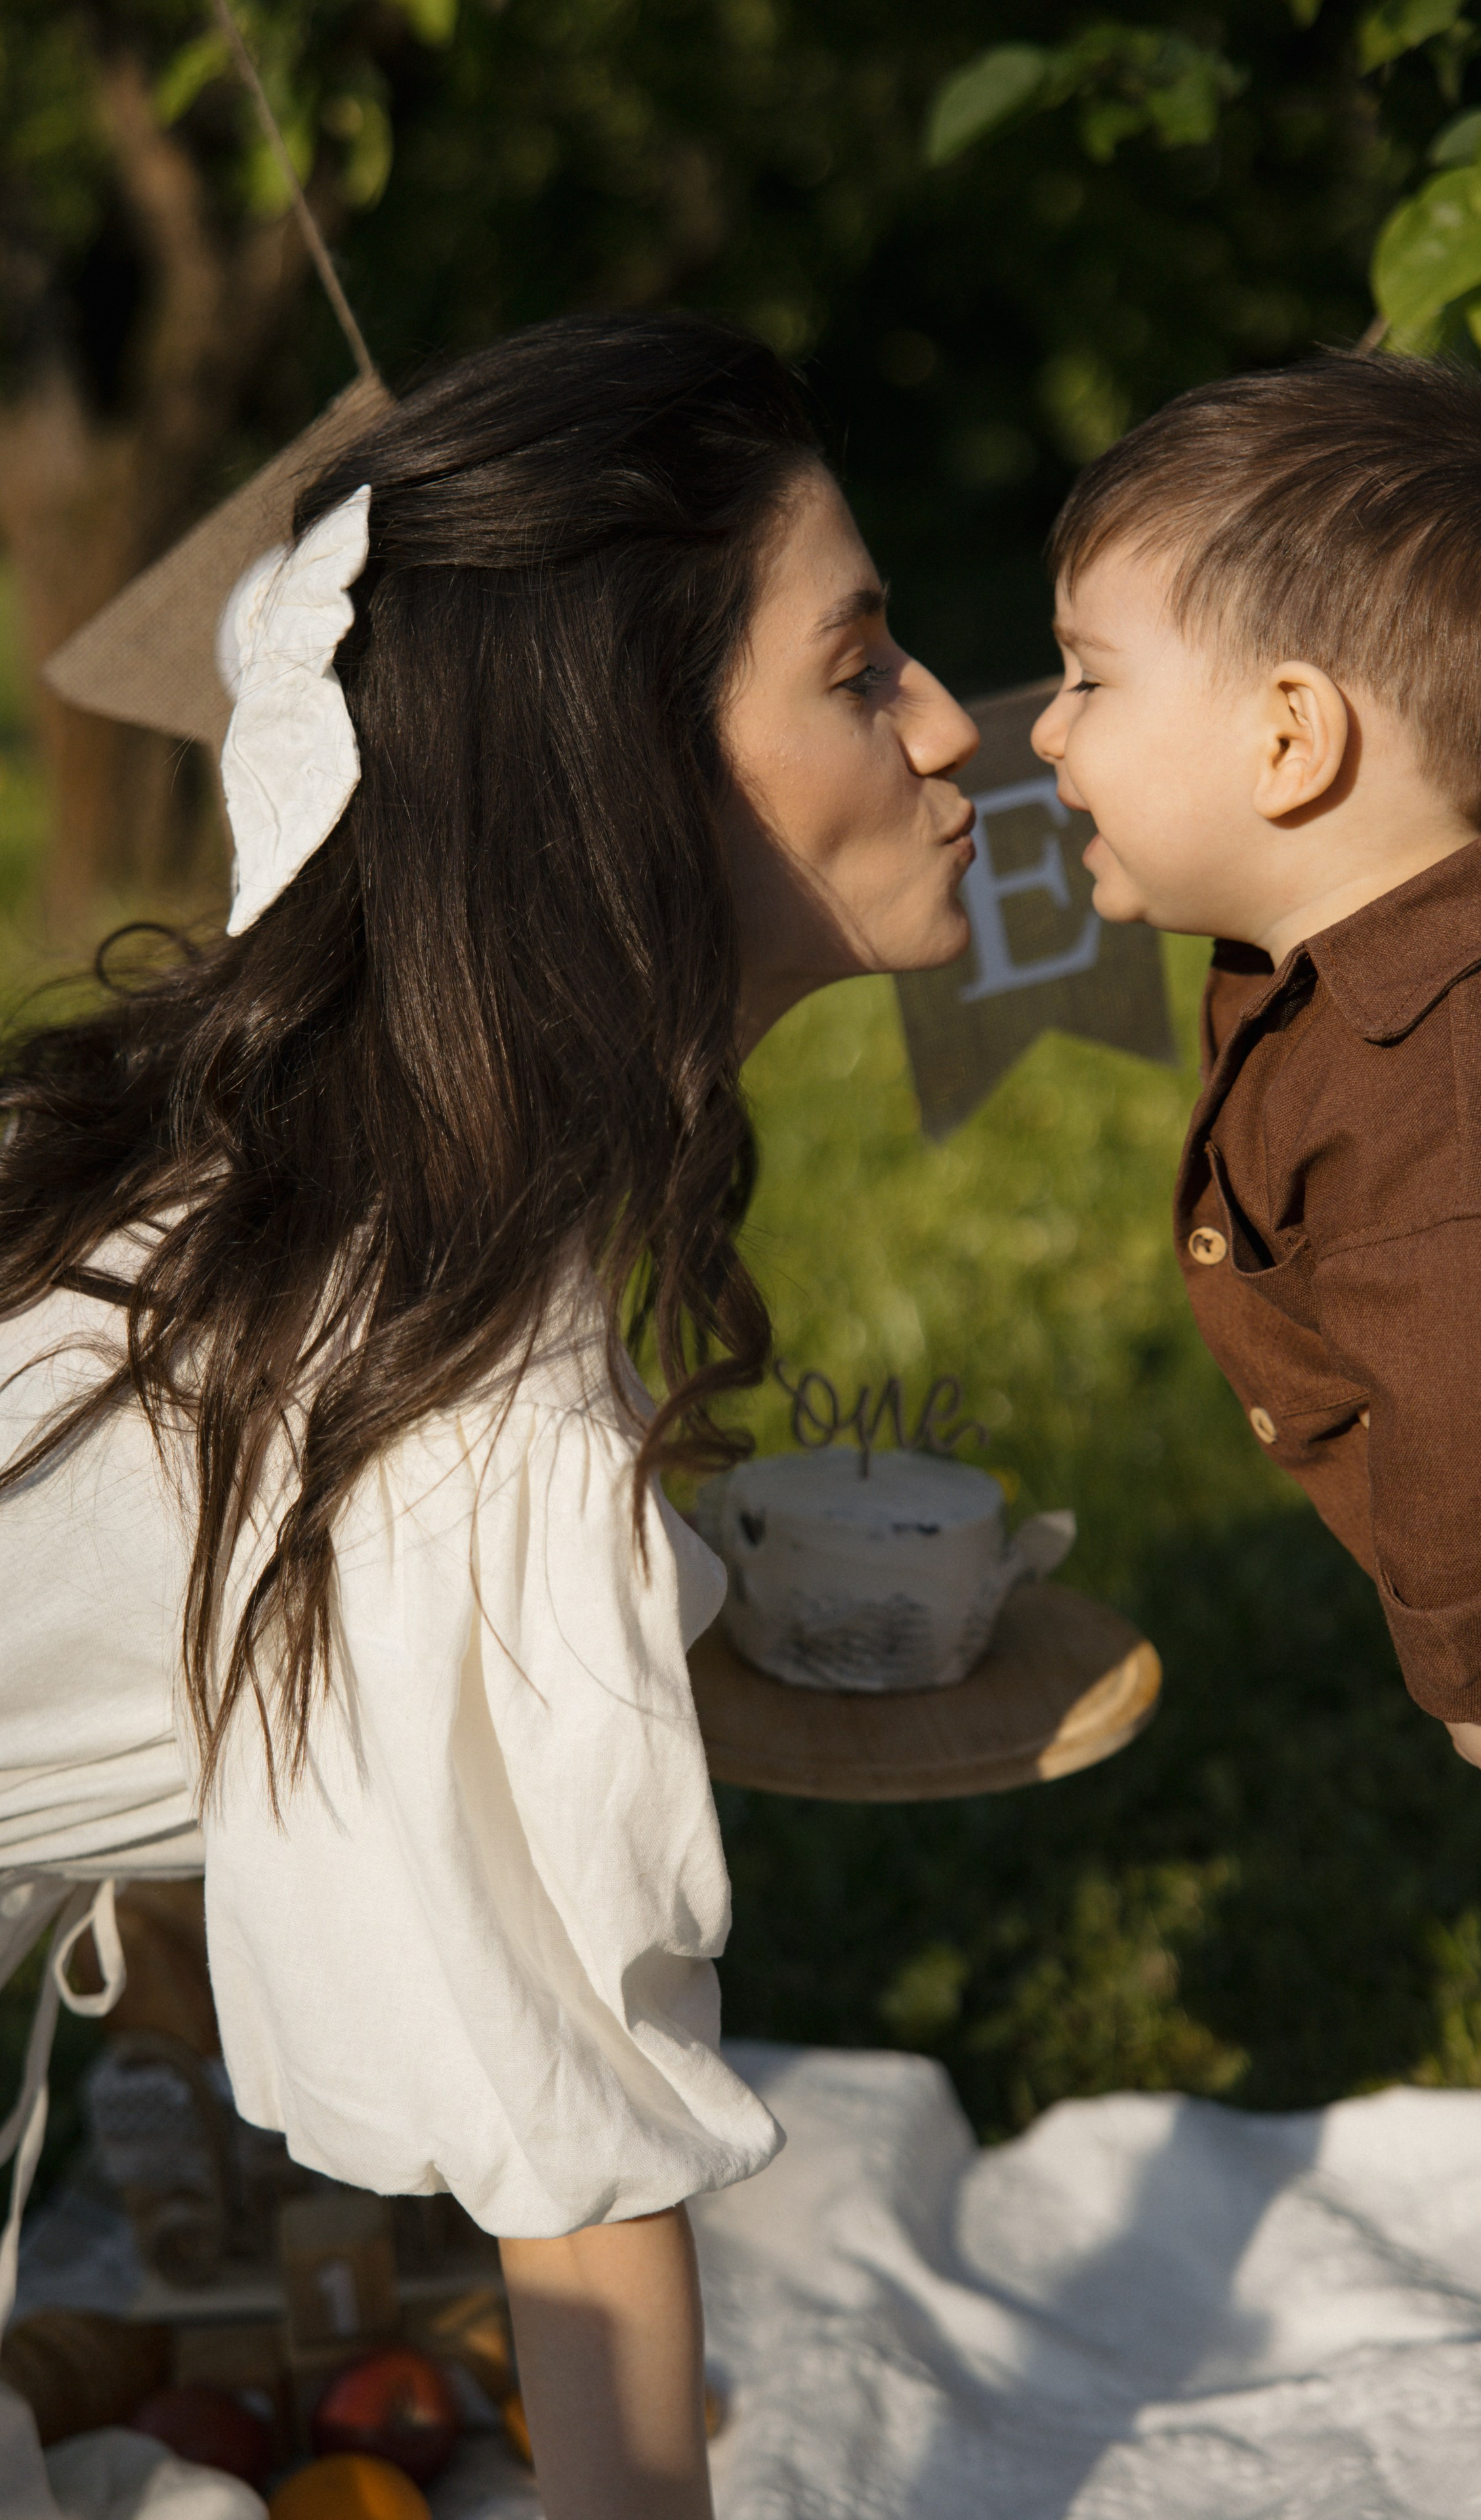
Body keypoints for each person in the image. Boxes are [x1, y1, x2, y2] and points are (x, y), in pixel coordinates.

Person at [0, 310, 979, 2517]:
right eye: (856, 667)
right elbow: (569, 2152)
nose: (947, 724)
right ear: (617, 782)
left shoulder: (398, 1180)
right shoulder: (447, 1369)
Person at [1031, 350, 1481, 2164]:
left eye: (1090, 677)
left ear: (1292, 740)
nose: (1044, 731)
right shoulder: (1475, 982)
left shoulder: (1435, 1073)